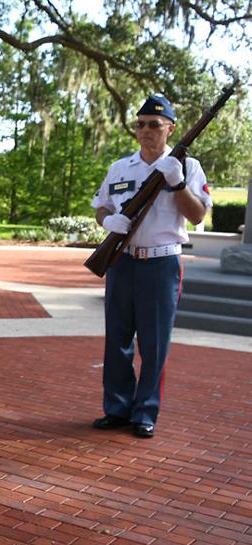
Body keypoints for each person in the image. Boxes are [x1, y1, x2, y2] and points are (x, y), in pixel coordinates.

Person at [91, 94, 211, 438]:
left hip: (161, 263)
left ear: (170, 128)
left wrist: (177, 184)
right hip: (121, 262)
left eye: (154, 125)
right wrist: (108, 221)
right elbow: (101, 205)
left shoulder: (188, 167)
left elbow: (198, 214)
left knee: (154, 343)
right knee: (117, 339)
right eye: (141, 124)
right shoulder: (120, 167)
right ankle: (116, 408)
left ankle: (144, 413)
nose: (145, 130)